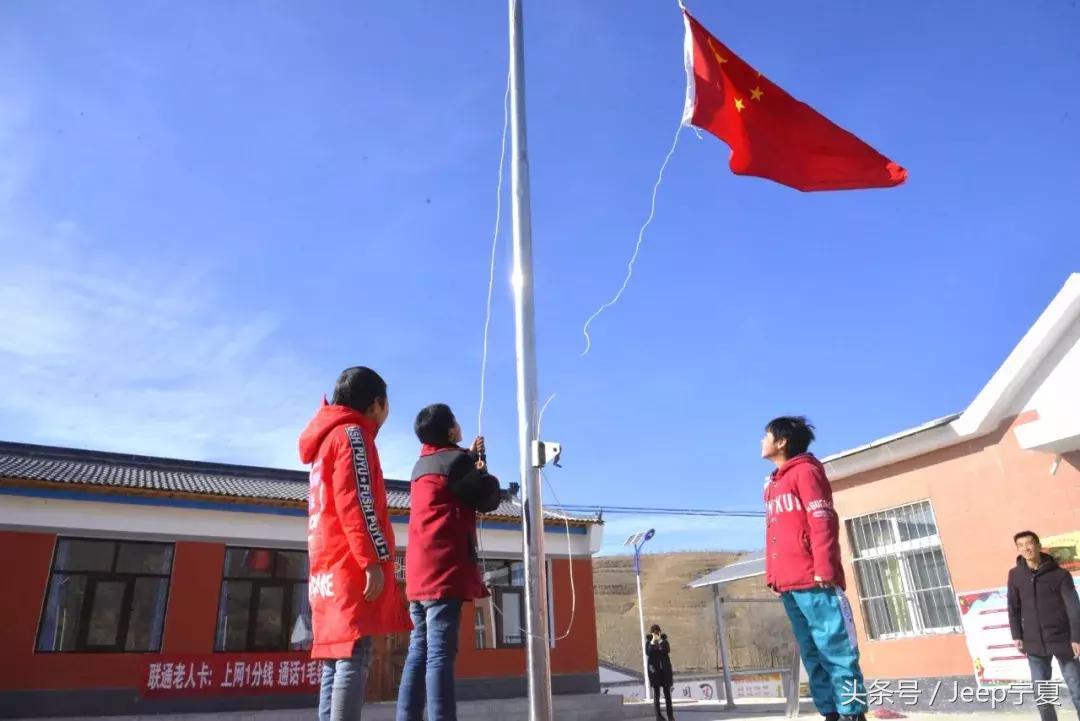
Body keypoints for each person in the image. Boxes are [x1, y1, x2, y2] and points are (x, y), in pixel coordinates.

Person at [299, 367, 412, 721]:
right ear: (376, 403)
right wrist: (373, 560)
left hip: (326, 566)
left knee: (336, 657)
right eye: (386, 402)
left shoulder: (325, 442)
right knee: (353, 655)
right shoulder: (352, 435)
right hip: (349, 564)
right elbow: (359, 501)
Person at [396, 403, 502, 721]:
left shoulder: (422, 465)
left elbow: (453, 476)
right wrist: (480, 467)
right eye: (455, 421)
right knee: (440, 653)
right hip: (444, 572)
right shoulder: (455, 463)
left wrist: (468, 457)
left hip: (419, 573)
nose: (459, 424)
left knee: (419, 650)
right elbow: (488, 497)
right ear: (450, 430)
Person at [762, 416, 866, 721]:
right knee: (812, 653)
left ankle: (852, 713)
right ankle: (830, 712)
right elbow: (774, 532)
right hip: (789, 584)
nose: (761, 441)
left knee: (836, 649)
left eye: (765, 435)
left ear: (781, 441)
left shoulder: (806, 472)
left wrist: (824, 567)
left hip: (815, 579)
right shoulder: (772, 483)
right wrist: (773, 575)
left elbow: (822, 521)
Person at [1007, 530, 1080, 721]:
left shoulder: (1060, 574)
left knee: (1077, 688)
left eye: (1029, 543)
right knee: (1042, 693)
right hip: (1034, 643)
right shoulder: (1015, 575)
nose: (1026, 548)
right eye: (1021, 545)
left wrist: (1076, 637)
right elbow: (1013, 607)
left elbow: (1073, 607)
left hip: (1062, 640)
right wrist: (1017, 635)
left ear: (1038, 545)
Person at [646, 624, 675, 721]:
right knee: (657, 695)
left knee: (667, 695)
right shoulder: (649, 642)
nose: (656, 634)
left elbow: (666, 650)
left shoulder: (664, 642)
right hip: (655, 672)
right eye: (654, 632)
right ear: (651, 633)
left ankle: (670, 716)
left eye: (657, 632)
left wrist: (660, 641)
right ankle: (658, 716)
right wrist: (653, 641)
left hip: (665, 672)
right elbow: (648, 652)